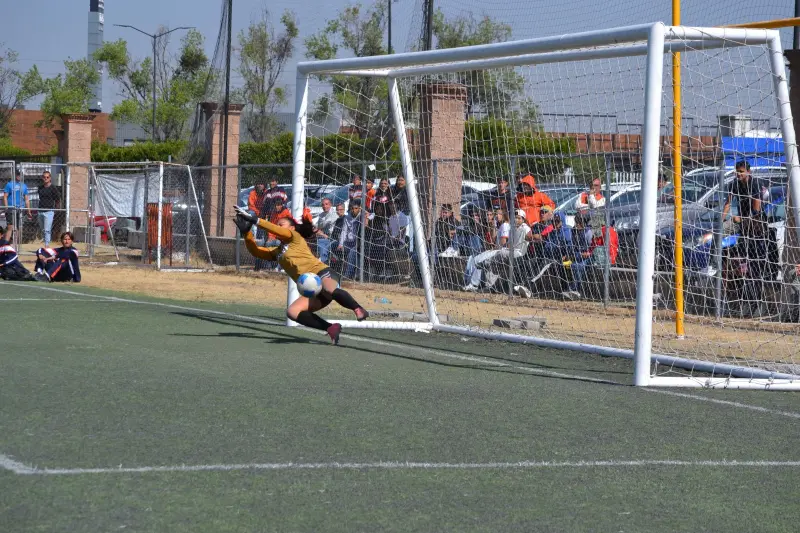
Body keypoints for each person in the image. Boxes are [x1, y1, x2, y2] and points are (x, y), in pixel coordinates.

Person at [233, 205, 368, 345]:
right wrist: (247, 233)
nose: (277, 226)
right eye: (277, 224)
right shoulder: (277, 252)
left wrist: (257, 220)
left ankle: (358, 308)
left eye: (281, 224)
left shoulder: (294, 237)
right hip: (313, 290)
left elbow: (276, 230)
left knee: (329, 288)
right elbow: (256, 252)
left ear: (291, 228)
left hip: (322, 273)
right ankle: (330, 328)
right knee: (292, 311)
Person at [721, 160, 768, 314]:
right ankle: (740, 300)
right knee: (738, 263)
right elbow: (728, 203)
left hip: (757, 229)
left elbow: (756, 210)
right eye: (737, 171)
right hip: (744, 229)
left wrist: (741, 219)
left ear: (748, 171)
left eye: (741, 171)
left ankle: (758, 303)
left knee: (755, 267)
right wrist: (721, 222)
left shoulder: (755, 184)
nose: (738, 174)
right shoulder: (734, 184)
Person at [463, 209, 530, 292]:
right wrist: (493, 226)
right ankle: (484, 285)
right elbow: (500, 241)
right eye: (515, 217)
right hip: (506, 250)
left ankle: (475, 283)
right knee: (480, 260)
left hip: (516, 253)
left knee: (483, 260)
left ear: (523, 219)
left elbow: (503, 242)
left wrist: (531, 237)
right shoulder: (512, 228)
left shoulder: (523, 227)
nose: (516, 219)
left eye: (519, 218)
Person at [2, 168, 32, 241]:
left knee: (18, 227)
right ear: (15, 175)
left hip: (20, 209)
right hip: (11, 209)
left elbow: (26, 199)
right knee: (10, 227)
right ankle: (6, 245)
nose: (19, 176)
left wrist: (28, 210)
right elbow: (5, 197)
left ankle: (15, 246)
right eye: (18, 175)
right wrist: (6, 208)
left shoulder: (24, 186)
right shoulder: (9, 184)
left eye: (20, 175)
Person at [37, 170, 61, 247]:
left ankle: (47, 245)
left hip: (49, 211)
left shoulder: (53, 188)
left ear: (50, 178)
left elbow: (57, 200)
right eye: (44, 177)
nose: (46, 178)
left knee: (47, 229)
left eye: (47, 177)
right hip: (40, 211)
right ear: (42, 178)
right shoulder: (40, 187)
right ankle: (45, 242)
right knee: (43, 229)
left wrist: (56, 210)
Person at [314, 198, 339, 263]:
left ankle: (324, 262)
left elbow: (323, 224)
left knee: (321, 243)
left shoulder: (334, 214)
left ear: (330, 205)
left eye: (326, 204)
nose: (324, 206)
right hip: (322, 236)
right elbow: (315, 227)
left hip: (332, 237)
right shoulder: (321, 215)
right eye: (323, 205)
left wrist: (319, 231)